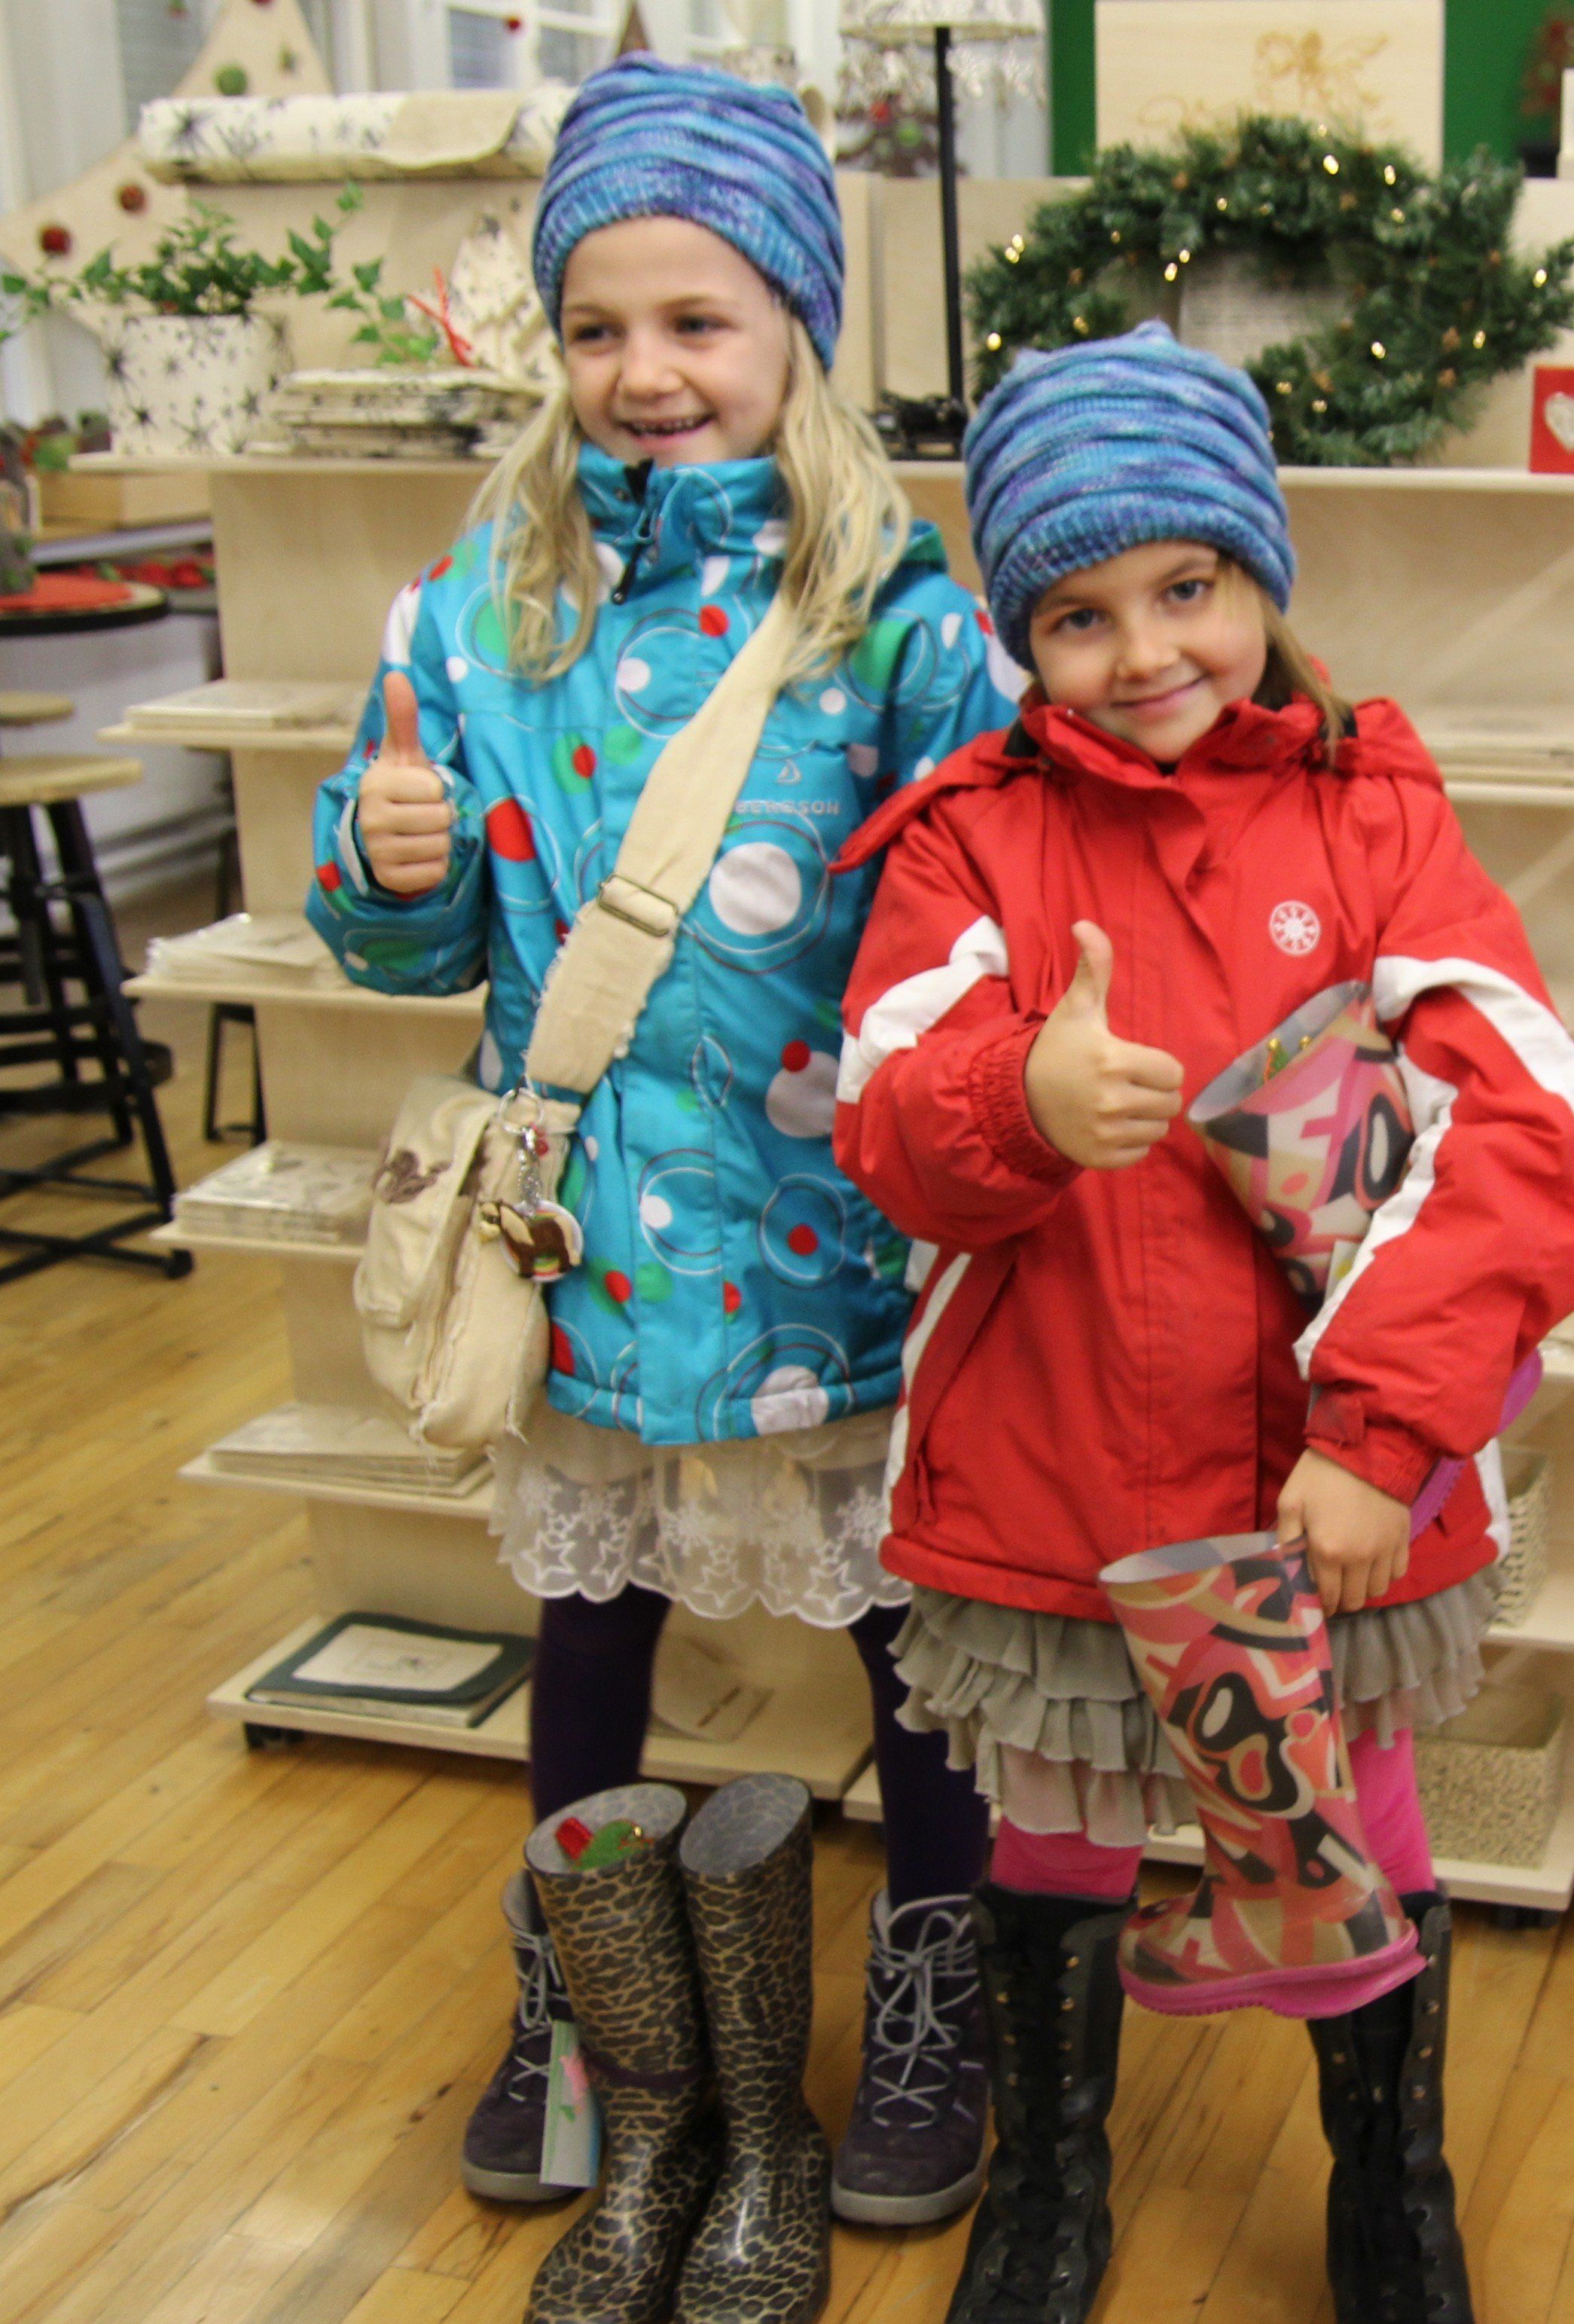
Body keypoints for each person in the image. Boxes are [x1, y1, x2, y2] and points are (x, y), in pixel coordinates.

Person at [831, 322, 1574, 2324]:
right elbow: (887, 1117)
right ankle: (1048, 2190)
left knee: (1358, 1807)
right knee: (1061, 1826)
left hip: (1316, 1484)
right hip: (1054, 1464)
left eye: (1187, 587)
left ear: (1260, 574)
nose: (1146, 651)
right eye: (1079, 615)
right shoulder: (969, 834)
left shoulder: (1375, 814)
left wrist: (1384, 1434)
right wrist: (1020, 1096)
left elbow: (1529, 1124)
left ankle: (1394, 2195)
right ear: (1021, 635)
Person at [305, 54, 1013, 2231]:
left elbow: (990, 907)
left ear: (798, 323)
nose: (644, 371)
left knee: (912, 1641)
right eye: (596, 324)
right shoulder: (482, 610)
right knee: (589, 1620)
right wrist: (392, 859)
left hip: (844, 1239)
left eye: (697, 319)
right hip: (586, 1241)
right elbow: (416, 944)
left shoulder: (899, 616)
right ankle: (596, 2010)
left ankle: (940, 1997)